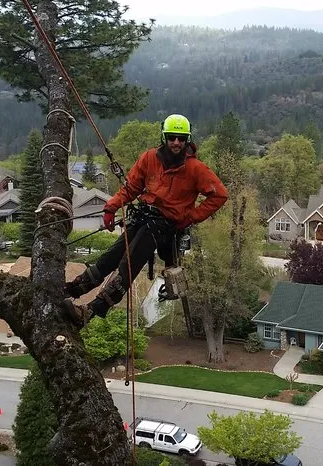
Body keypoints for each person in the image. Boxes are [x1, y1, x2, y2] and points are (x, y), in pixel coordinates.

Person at [62, 114, 228, 328]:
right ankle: (69, 291)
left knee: (126, 268)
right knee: (109, 259)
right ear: (164, 137)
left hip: (164, 226)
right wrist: (111, 207)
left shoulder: (195, 169)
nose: (176, 142)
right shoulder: (150, 159)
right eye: (171, 137)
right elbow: (131, 188)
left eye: (180, 138)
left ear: (187, 139)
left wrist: (190, 217)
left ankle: (90, 311)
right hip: (143, 218)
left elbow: (219, 195)